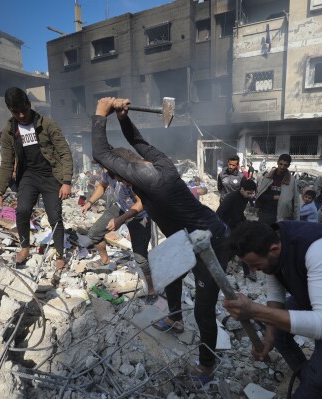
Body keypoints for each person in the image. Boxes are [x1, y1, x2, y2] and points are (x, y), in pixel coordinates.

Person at [92, 97, 229, 382]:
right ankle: (176, 318)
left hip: (209, 243)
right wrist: (122, 117)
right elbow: (136, 139)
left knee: (204, 309)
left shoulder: (149, 179)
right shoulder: (158, 164)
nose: (123, 183)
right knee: (169, 270)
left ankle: (206, 364)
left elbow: (100, 151)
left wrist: (100, 114)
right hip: (186, 238)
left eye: (121, 179)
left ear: (129, 175)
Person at [223, 221, 322, 399]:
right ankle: (307, 376)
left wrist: (254, 311)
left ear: (274, 249)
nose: (253, 270)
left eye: (255, 264)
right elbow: (276, 288)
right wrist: (270, 334)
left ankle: (313, 383)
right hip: (310, 291)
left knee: (318, 373)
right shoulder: (274, 240)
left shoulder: (317, 248)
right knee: (278, 336)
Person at [0, 87, 73, 270]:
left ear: (29, 105)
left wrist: (66, 181)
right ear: (9, 109)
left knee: (54, 216)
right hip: (28, 176)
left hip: (51, 175)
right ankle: (25, 247)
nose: (21, 115)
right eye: (15, 111)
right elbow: (6, 163)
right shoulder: (9, 132)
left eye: (24, 110)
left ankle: (60, 254)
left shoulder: (48, 125)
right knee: (22, 210)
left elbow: (64, 152)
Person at [80, 167, 157, 301]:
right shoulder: (107, 172)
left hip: (139, 216)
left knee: (140, 256)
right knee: (94, 234)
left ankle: (151, 289)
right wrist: (90, 202)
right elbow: (102, 186)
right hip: (119, 208)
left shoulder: (130, 175)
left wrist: (120, 220)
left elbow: (140, 203)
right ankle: (105, 260)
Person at [216, 179, 258, 281]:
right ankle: (220, 274)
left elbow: (239, 212)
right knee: (226, 251)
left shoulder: (244, 198)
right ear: (242, 189)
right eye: (249, 193)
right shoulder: (231, 197)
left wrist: (245, 222)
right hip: (226, 228)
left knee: (244, 246)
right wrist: (223, 229)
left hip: (236, 225)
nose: (250, 196)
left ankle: (247, 272)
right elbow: (220, 213)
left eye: (252, 193)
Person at [254, 154, 300, 225]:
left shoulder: (292, 180)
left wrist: (297, 220)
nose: (282, 167)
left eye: (285, 165)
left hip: (283, 216)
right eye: (281, 164)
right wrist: (273, 197)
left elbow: (296, 201)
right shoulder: (268, 177)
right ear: (277, 163)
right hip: (267, 213)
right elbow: (260, 195)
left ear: (288, 166)